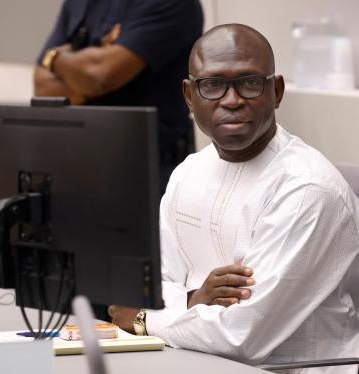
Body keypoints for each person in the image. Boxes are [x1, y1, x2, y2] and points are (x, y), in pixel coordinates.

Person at [108, 23, 359, 372]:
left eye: (249, 83)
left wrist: (141, 319)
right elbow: (157, 286)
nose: (232, 100)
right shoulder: (188, 173)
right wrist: (196, 299)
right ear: (188, 96)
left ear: (277, 91)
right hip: (192, 361)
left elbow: (242, 337)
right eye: (212, 85)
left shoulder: (306, 190)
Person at [34, 0, 204, 194]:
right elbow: (42, 86)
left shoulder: (172, 4)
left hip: (149, 170)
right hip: (78, 164)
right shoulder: (78, 3)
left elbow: (100, 75)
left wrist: (56, 58)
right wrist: (91, 79)